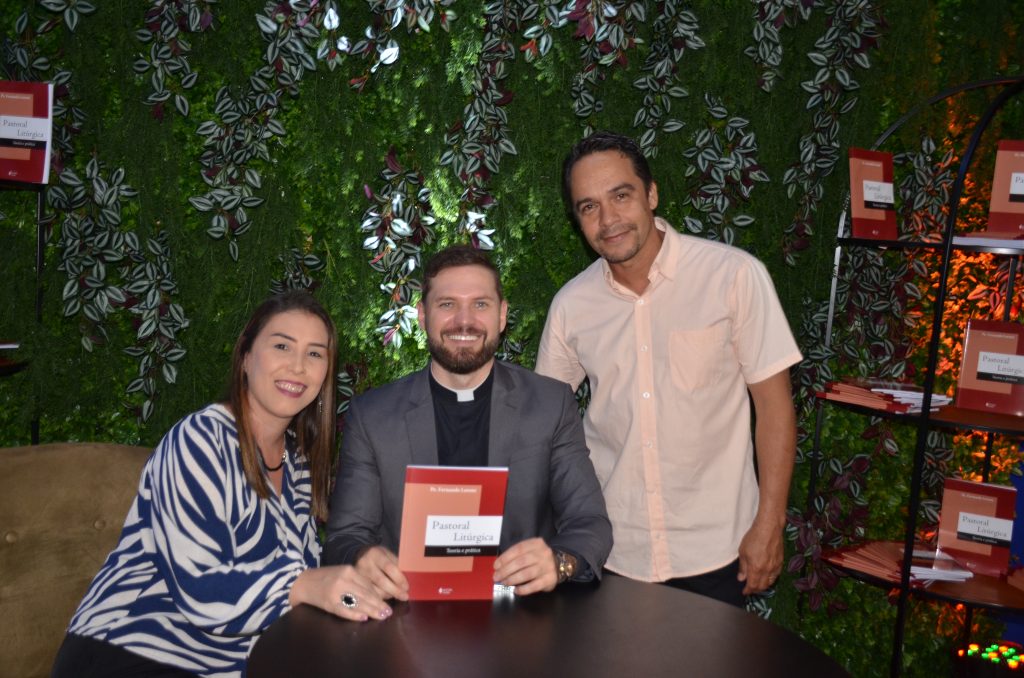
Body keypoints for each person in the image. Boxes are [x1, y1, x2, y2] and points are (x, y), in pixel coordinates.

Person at [52, 291, 391, 678]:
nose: (298, 366)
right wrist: (305, 586)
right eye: (282, 345)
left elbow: (301, 578)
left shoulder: (297, 462)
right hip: (132, 650)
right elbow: (201, 589)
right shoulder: (199, 440)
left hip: (229, 665)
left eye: (315, 353)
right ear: (246, 357)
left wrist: (361, 568)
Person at [535, 131, 802, 607]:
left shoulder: (733, 277)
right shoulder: (572, 306)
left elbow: (775, 408)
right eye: (589, 206)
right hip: (615, 550)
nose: (608, 219)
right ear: (576, 219)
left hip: (718, 550)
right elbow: (541, 425)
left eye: (621, 195)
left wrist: (770, 523)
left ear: (651, 194)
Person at [324, 245, 612, 598]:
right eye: (447, 304)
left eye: (480, 304)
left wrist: (559, 562)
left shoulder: (550, 405)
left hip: (522, 619)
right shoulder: (373, 416)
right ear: (422, 316)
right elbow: (344, 537)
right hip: (406, 618)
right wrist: (361, 556)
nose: (464, 321)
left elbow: (590, 524)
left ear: (502, 315)